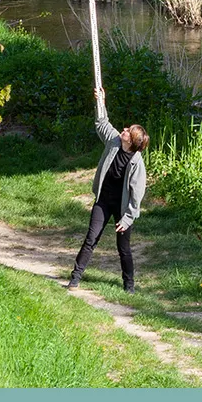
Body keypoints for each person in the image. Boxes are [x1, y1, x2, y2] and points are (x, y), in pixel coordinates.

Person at [67, 86, 148, 292]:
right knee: (91, 238)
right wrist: (100, 100)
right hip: (103, 201)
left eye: (127, 132)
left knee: (124, 249)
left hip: (122, 208)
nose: (124, 130)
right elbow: (102, 122)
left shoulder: (137, 163)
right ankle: (75, 278)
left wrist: (128, 218)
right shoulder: (113, 142)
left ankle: (129, 286)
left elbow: (136, 196)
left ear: (132, 142)